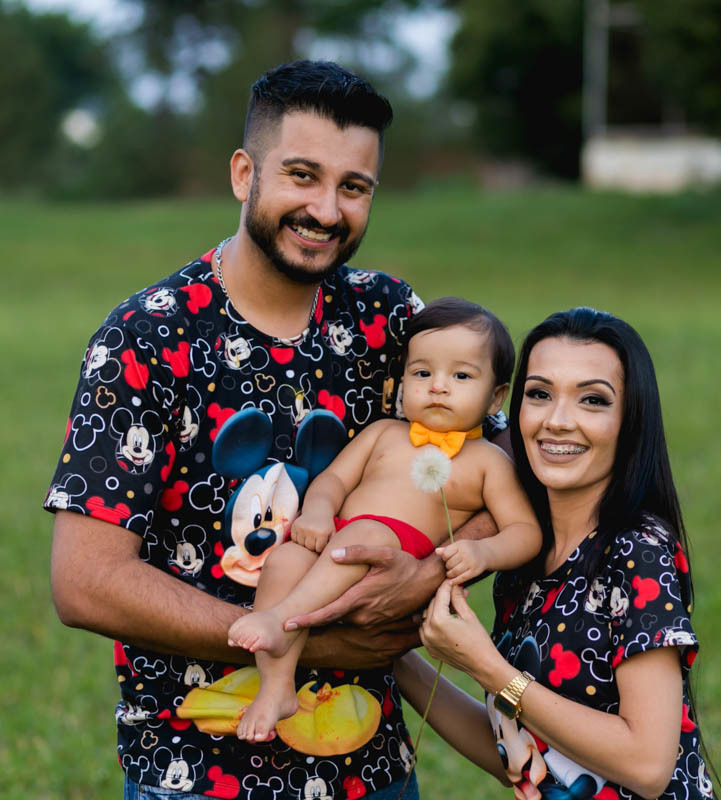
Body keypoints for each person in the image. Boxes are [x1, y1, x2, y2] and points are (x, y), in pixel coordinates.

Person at [45, 60, 500, 800]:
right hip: (193, 773)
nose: (327, 209)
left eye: (354, 188)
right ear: (242, 174)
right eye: (301, 175)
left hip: (370, 768)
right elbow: (86, 582)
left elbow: (501, 464)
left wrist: (424, 575)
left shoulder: (392, 322)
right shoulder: (147, 338)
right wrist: (304, 633)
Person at [394, 308, 718, 800]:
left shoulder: (637, 550)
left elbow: (649, 765)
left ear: (629, 420)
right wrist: (392, 656)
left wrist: (490, 669)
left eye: (592, 400)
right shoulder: (523, 558)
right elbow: (520, 752)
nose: (558, 421)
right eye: (540, 394)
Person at [228, 298, 543, 742]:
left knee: (367, 533)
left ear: (495, 396)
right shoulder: (383, 433)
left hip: (391, 552)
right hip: (339, 537)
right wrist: (317, 510)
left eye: (461, 376)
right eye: (422, 373)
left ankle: (279, 620)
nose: (438, 387)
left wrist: (481, 550)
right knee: (282, 563)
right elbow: (334, 479)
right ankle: (277, 688)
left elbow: (526, 531)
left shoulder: (488, 462)